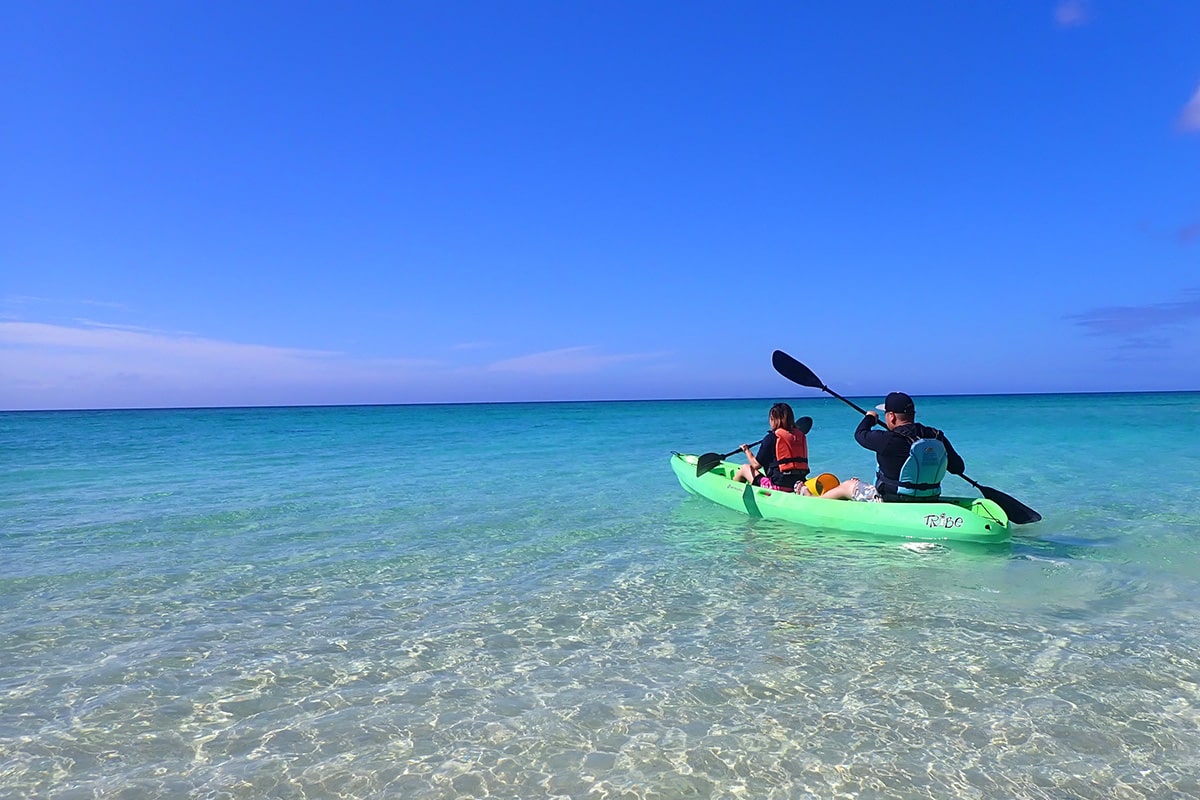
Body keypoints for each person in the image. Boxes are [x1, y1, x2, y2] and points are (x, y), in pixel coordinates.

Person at [853, 391, 964, 502]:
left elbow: (860, 434)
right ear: (913, 414)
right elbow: (958, 468)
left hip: (891, 500)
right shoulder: (936, 435)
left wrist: (870, 418)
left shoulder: (887, 439)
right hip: (931, 498)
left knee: (850, 485)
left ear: (891, 416)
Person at [732, 402, 811, 492]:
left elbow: (756, 465)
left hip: (778, 486)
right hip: (799, 484)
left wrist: (746, 450)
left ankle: (732, 490)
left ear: (773, 419)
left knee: (745, 468)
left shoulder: (771, 438)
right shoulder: (800, 436)